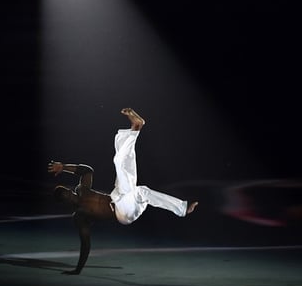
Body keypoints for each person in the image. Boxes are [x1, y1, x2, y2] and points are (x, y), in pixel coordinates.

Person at [48, 107, 198, 274]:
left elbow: (87, 171)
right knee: (136, 184)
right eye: (67, 196)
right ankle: (182, 208)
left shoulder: (81, 189)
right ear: (65, 202)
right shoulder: (80, 215)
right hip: (123, 213)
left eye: (68, 191)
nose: (70, 193)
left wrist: (63, 167)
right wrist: (78, 270)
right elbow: (86, 244)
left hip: (118, 194)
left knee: (122, 161)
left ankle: (136, 128)